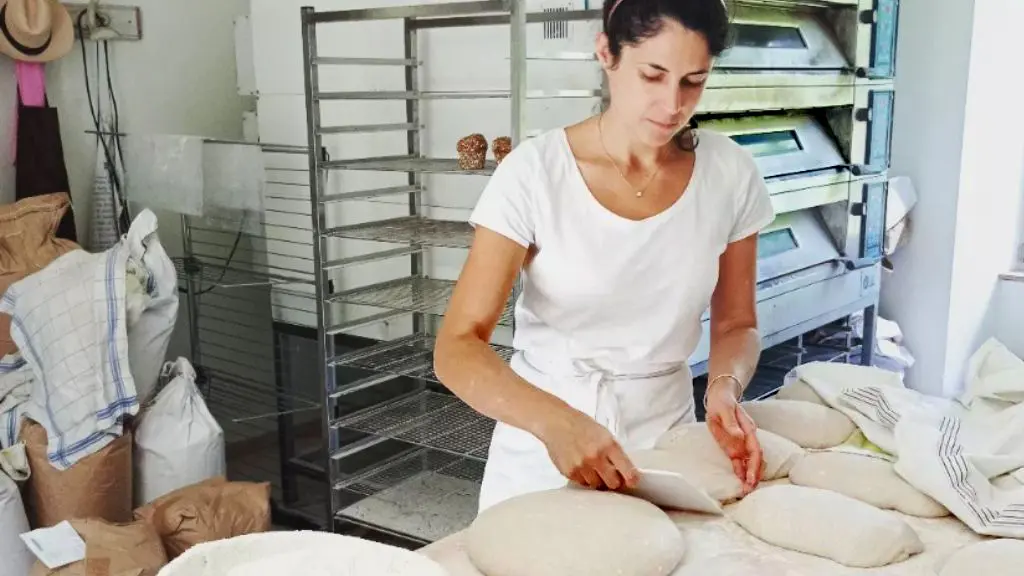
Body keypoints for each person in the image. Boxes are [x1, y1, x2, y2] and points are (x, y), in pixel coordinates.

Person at [434, 0, 775, 514]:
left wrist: (724, 389)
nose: (671, 103)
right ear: (606, 54)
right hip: (543, 446)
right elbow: (457, 348)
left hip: (664, 445)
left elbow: (737, 324)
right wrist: (555, 422)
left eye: (693, 81)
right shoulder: (535, 173)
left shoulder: (730, 174)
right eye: (652, 75)